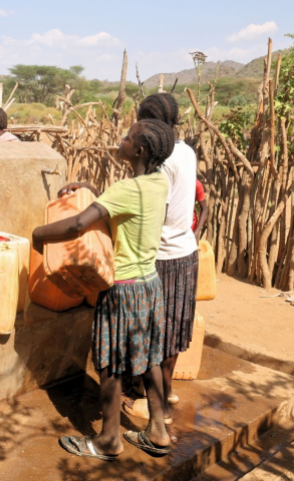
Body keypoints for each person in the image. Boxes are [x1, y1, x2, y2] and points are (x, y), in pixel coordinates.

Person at [33, 119, 175, 460]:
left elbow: (78, 224)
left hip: (121, 289)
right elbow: (127, 205)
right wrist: (95, 191)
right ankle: (158, 431)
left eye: (127, 137)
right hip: (149, 285)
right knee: (150, 358)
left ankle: (109, 440)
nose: (121, 139)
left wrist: (39, 234)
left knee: (109, 363)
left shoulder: (126, 190)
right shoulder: (159, 181)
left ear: (139, 150)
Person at [123, 93, 199, 428]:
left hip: (162, 256)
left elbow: (154, 210)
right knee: (173, 330)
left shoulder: (163, 160)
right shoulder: (186, 151)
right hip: (185, 252)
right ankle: (163, 392)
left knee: (155, 333)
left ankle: (157, 408)